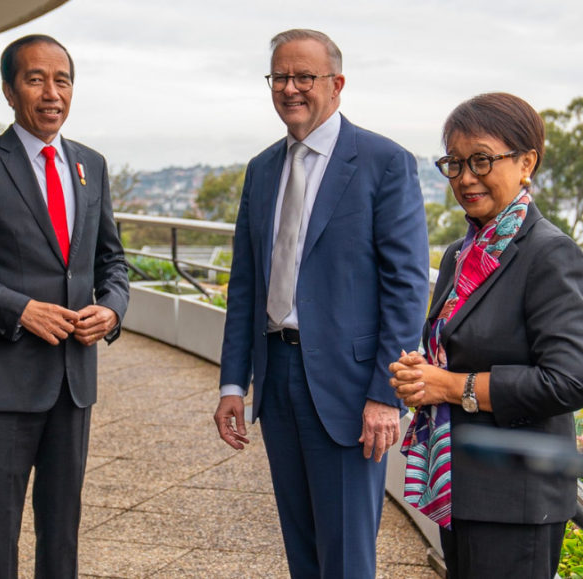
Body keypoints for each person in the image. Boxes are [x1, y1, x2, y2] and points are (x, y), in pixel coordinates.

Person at [214, 29, 429, 578]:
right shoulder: (263, 168)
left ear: (337, 84)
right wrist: (233, 384)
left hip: (350, 389)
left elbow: (406, 287)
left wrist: (386, 394)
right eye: (280, 77)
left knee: (348, 556)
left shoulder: (385, 162)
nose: (290, 88)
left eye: (304, 76)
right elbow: (245, 285)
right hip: (277, 375)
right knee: (302, 548)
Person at [0, 34, 129, 578]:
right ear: (10, 92)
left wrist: (111, 309)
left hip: (73, 379)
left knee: (62, 526)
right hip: (6, 380)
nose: (51, 92)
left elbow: (111, 261)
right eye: (36, 79)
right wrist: (18, 310)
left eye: (62, 80)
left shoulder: (92, 165)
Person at [390, 92, 583, 578]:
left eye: (482, 160)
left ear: (526, 162)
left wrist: (452, 386)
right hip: (461, 484)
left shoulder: (550, 255)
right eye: (455, 163)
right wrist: (422, 375)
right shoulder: (461, 254)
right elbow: (456, 346)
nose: (466, 177)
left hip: (516, 500)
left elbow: (568, 382)